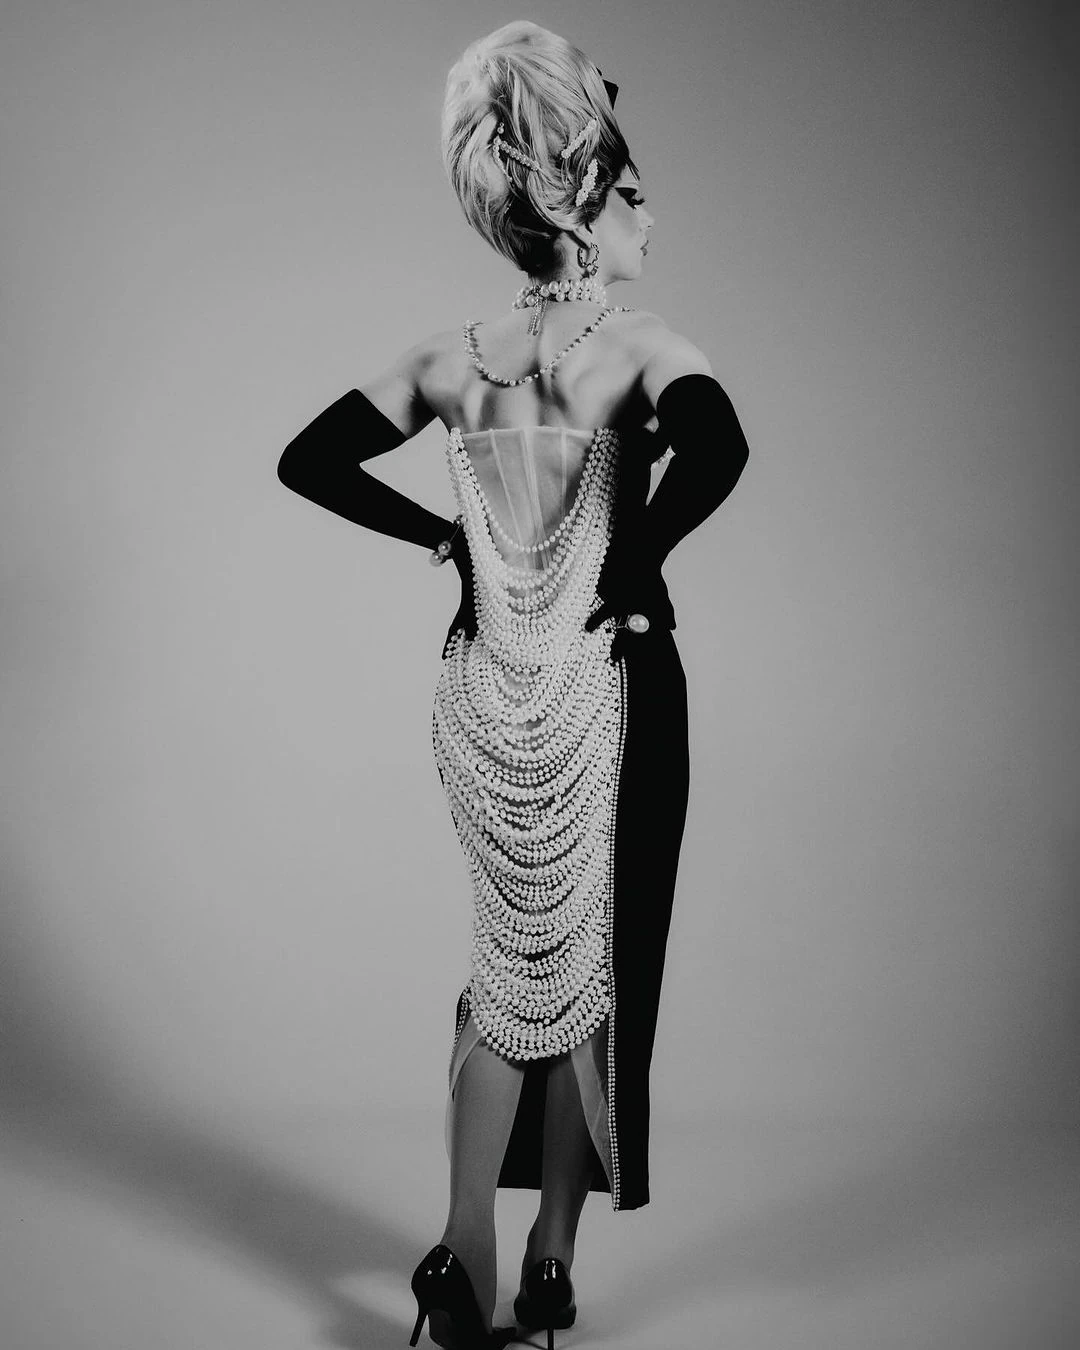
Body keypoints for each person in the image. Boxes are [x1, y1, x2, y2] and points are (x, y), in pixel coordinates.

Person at [276, 20, 749, 1350]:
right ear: (582, 203)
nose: (650, 216)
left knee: (506, 974)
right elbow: (720, 447)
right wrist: (637, 553)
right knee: (591, 975)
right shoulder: (641, 346)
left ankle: (463, 1252)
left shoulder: (450, 356)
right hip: (603, 691)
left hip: (484, 696)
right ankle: (547, 1261)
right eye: (634, 191)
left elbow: (309, 460)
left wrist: (445, 538)